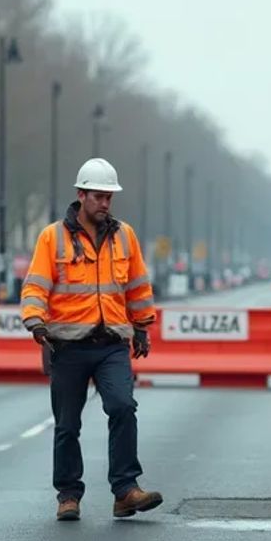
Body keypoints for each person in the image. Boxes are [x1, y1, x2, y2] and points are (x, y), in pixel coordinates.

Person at [21, 157, 160, 522]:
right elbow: (37, 284)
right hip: (67, 344)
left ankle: (125, 490)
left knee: (122, 407)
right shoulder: (53, 237)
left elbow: (137, 285)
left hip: (112, 341)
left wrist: (142, 325)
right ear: (81, 195)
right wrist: (35, 322)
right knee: (68, 425)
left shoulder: (124, 235)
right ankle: (68, 494)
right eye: (99, 196)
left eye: (109, 198)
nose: (105, 203)